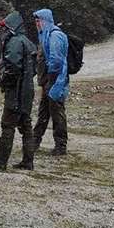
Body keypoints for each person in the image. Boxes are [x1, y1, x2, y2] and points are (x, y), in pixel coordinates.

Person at [0, 11, 37, 171]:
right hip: (27, 90)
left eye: (5, 27)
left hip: (16, 91)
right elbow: (33, 67)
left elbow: (13, 66)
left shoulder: (15, 42)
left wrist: (5, 80)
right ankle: (28, 160)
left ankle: (1, 160)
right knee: (25, 124)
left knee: (8, 124)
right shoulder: (28, 42)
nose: (3, 30)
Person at [32, 9, 69, 156]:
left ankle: (61, 146)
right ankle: (34, 142)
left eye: (39, 20)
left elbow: (56, 60)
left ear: (45, 20)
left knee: (57, 113)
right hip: (48, 80)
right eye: (36, 21)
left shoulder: (55, 35)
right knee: (44, 112)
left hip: (56, 80)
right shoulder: (44, 35)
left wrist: (50, 78)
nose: (37, 24)